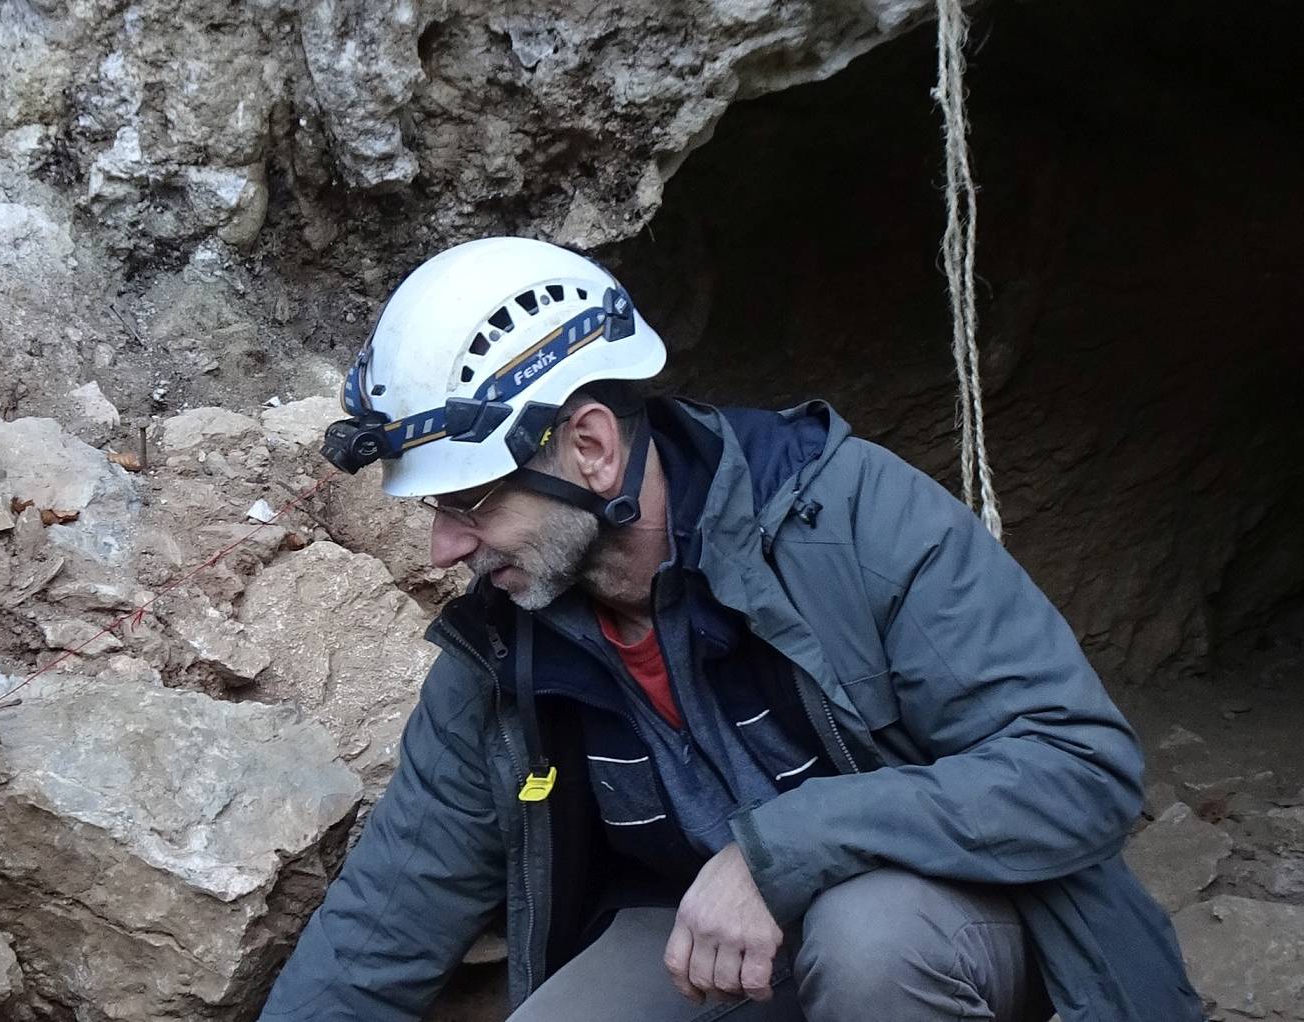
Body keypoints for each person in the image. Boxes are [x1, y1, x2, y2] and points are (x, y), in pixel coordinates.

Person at [262, 237, 1200, 1021]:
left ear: (588, 448)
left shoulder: (851, 519)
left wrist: (782, 848)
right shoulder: (511, 636)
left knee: (868, 941)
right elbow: (388, 917)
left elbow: (1079, 769)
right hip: (711, 951)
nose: (440, 547)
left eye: (468, 501)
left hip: (968, 936)